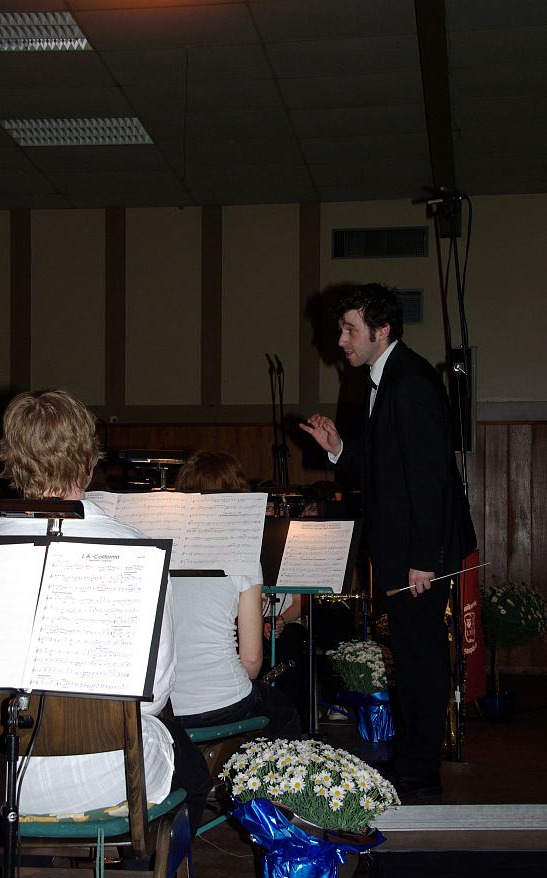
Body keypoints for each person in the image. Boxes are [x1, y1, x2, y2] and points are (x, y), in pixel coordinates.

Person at [0, 389, 210, 878]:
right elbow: (151, 696)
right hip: (107, 775)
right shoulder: (134, 552)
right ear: (90, 459)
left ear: (9, 461)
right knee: (189, 774)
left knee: (30, 768)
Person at [301, 283, 476, 798]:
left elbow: (429, 479)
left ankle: (421, 768)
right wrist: (338, 448)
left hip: (419, 554)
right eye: (341, 329)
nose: (341, 340)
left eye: (350, 329)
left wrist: (423, 559)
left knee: (420, 658)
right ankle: (415, 757)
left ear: (382, 330)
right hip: (406, 549)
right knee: (411, 654)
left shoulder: (410, 383)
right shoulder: (387, 377)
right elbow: (386, 466)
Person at [169, 450, 302, 739]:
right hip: (223, 699)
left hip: (164, 707)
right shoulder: (242, 554)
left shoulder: (161, 549)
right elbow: (252, 662)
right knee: (286, 714)